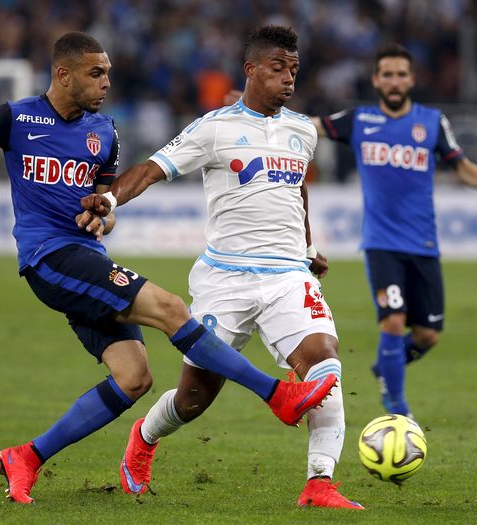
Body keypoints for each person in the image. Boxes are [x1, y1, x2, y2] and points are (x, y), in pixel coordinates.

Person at [0, 31, 336, 505]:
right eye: (96, 73)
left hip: (87, 259)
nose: (106, 82)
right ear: (63, 74)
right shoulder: (15, 117)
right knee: (171, 307)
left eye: (109, 73)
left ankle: (26, 457)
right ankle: (276, 394)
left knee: (134, 378)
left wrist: (102, 214)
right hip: (48, 257)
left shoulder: (104, 134)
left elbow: (105, 213)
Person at [79, 25, 362, 510]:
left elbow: (298, 190)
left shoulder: (302, 131)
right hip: (224, 280)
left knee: (323, 366)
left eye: (294, 70)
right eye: (278, 69)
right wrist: (108, 198)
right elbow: (152, 169)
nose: (289, 79)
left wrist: (308, 246)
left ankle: (319, 484)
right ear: (251, 70)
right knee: (194, 398)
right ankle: (144, 438)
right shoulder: (214, 128)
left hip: (288, 277)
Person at [311, 44, 477, 416]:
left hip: (424, 243)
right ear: (376, 79)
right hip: (381, 243)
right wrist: (262, 110)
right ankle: (397, 409)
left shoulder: (431, 122)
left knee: (427, 335)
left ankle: (387, 365)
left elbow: (458, 163)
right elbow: (312, 125)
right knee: (394, 320)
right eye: (387, 74)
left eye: (401, 74)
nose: (395, 80)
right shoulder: (360, 120)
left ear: (412, 79)